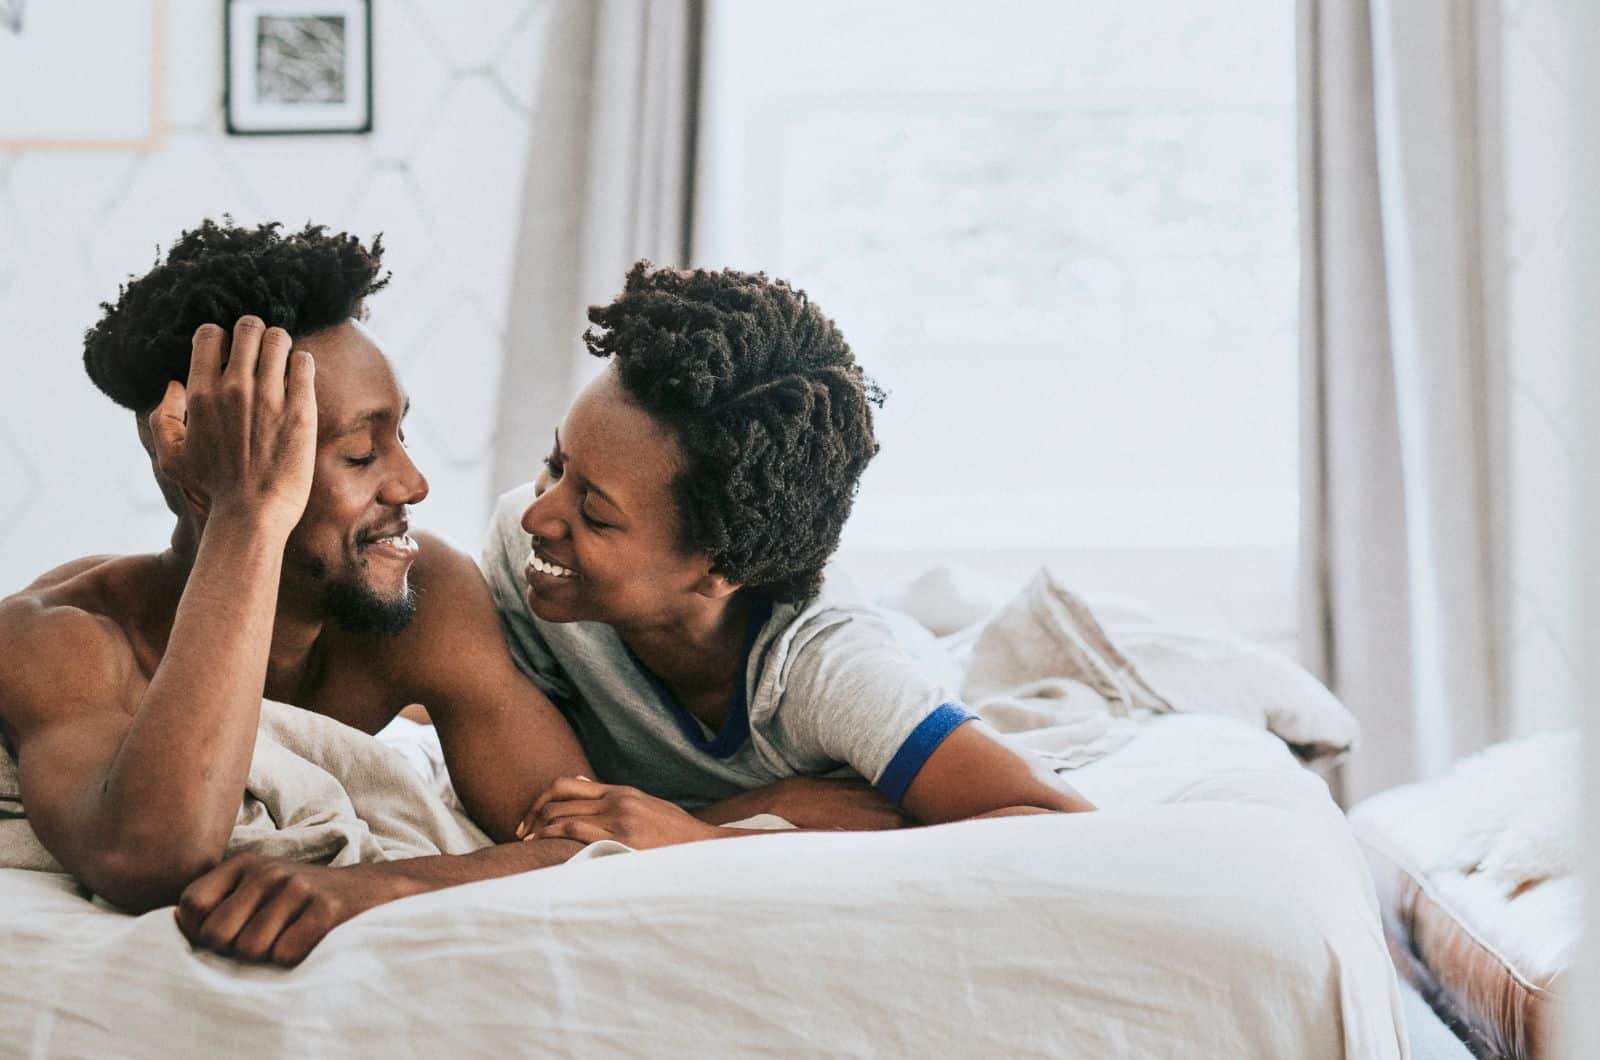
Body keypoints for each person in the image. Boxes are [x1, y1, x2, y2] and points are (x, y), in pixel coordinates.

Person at [0, 222, 872, 968]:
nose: (413, 484)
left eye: (401, 435)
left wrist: (375, 887)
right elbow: (151, 855)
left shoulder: (424, 598)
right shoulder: (61, 641)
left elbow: (576, 831)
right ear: (205, 476)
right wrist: (245, 517)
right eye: (358, 455)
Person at [484, 262, 1095, 851]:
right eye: (555, 464)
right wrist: (764, 806)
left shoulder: (834, 676)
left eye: (594, 513)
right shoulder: (525, 553)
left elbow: (1063, 826)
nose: (538, 515)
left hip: (899, 653)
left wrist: (707, 840)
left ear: (720, 569)